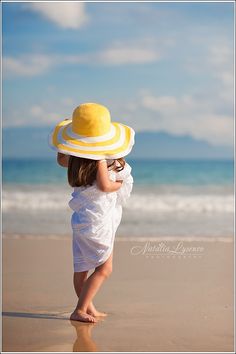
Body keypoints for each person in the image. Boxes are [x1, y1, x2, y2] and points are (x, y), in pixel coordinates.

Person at [48, 102, 135, 323]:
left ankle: (88, 307)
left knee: (82, 268)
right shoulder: (98, 159)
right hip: (98, 220)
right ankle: (79, 309)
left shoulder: (72, 159)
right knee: (105, 269)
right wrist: (120, 185)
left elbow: (61, 158)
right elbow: (106, 186)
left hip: (81, 219)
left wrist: (71, 142)